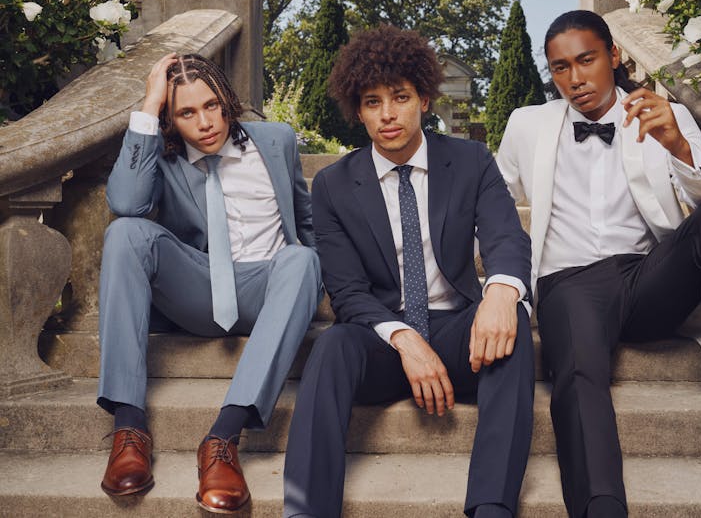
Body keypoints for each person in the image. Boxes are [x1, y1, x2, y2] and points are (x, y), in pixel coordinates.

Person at [496, 9, 701, 518]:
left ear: (614, 56)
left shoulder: (665, 113)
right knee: (579, 375)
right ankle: (601, 504)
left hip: (646, 277)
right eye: (561, 68)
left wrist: (677, 144)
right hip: (568, 284)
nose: (575, 79)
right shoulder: (527, 125)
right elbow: (492, 201)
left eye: (586, 60)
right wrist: (497, 287)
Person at [282, 25, 535, 518]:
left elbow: (506, 237)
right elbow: (348, 292)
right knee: (332, 344)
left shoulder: (470, 161)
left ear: (423, 99)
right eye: (373, 102)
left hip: (459, 331)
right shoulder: (333, 184)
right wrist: (404, 339)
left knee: (514, 325)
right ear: (358, 111)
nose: (388, 113)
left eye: (400, 97)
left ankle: (491, 507)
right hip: (382, 338)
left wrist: (501, 295)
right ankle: (306, 510)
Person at [97, 53, 322, 514]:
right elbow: (125, 203)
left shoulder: (276, 141)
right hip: (199, 289)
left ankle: (223, 438)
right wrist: (149, 103)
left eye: (212, 105)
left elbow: (308, 221)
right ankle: (128, 428)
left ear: (227, 100)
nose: (204, 122)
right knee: (125, 233)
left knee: (302, 258)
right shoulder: (160, 157)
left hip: (269, 286)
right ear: (169, 119)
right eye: (185, 112)